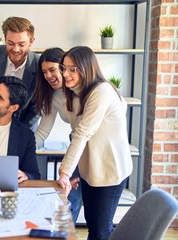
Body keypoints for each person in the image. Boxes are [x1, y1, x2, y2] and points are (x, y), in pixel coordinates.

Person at [57, 46, 132, 240]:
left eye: (72, 69)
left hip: (111, 171)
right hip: (90, 170)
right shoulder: (74, 94)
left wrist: (64, 172)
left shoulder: (102, 91)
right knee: (93, 225)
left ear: (87, 68)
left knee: (101, 230)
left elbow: (82, 133)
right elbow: (78, 133)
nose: (65, 73)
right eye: (64, 68)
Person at [33, 48, 82, 223]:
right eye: (44, 72)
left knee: (92, 205)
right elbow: (43, 131)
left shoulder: (81, 89)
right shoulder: (52, 95)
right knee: (70, 200)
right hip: (77, 143)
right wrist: (23, 151)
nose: (48, 75)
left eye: (52, 70)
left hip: (92, 145)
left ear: (63, 67)